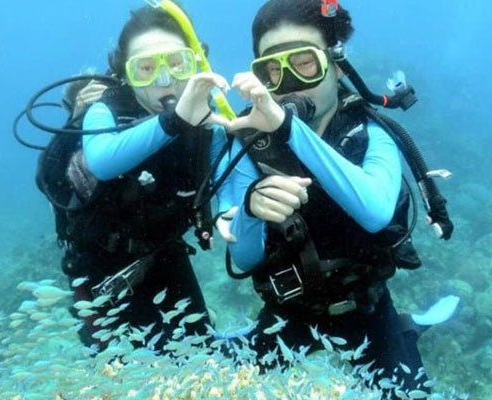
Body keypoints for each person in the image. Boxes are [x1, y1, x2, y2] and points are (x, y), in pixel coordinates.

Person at [216, 0, 453, 395]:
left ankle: (406, 330)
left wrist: (287, 126)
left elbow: (376, 212)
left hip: (367, 308)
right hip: (286, 312)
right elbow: (242, 259)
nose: (289, 82)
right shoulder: (247, 143)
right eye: (272, 70)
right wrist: (251, 210)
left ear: (337, 64)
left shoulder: (372, 133)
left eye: (304, 62)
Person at [36, 5, 230, 353]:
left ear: (196, 63)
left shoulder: (206, 120)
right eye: (145, 68)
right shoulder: (106, 110)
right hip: (100, 269)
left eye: (176, 63)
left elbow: (224, 172)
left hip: (165, 253)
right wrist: (177, 120)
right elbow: (103, 161)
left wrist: (231, 211)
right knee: (120, 374)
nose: (164, 80)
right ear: (126, 74)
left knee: (200, 354)